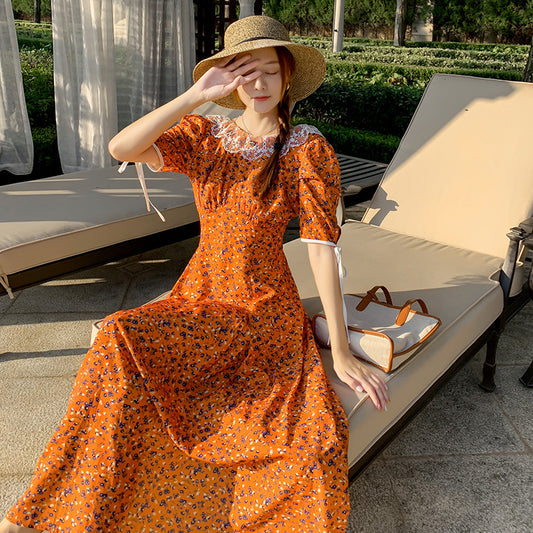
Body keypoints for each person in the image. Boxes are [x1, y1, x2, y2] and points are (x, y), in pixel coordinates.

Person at [1, 15, 388, 533]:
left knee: (121, 335)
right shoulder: (206, 134)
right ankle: (71, 511)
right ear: (229, 78)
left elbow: (321, 249)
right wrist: (194, 96)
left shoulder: (306, 148)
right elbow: (121, 148)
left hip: (260, 306)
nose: (258, 84)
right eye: (245, 72)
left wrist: (339, 350)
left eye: (269, 70)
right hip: (198, 291)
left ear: (289, 75)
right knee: (118, 341)